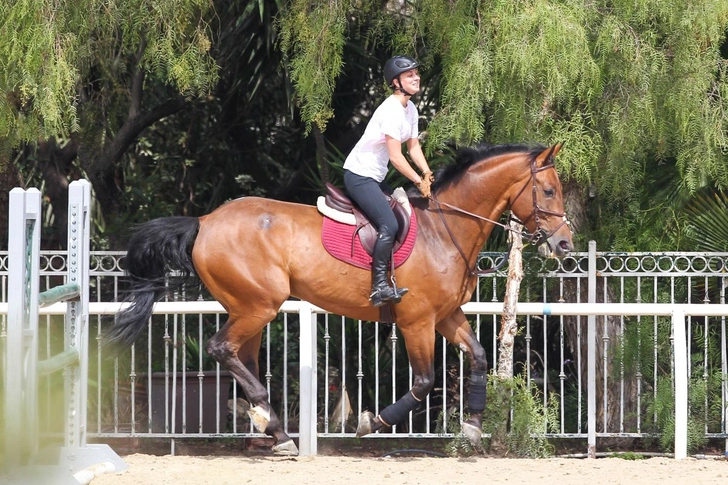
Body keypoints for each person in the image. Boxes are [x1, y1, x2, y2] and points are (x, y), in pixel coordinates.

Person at [343, 55, 435, 308]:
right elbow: (396, 157)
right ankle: (378, 287)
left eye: (416, 73)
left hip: (375, 177)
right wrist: (417, 180)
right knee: (389, 224)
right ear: (396, 82)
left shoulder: (411, 109)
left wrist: (427, 174)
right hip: (361, 176)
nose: (416, 78)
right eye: (409, 75)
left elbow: (413, 147)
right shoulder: (391, 110)